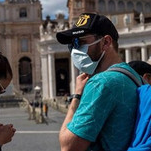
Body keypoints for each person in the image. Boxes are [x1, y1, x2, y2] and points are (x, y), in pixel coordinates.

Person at [56, 13, 143, 151]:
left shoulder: (101, 83)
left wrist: (76, 97)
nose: (74, 50)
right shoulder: (134, 76)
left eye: (80, 42)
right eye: (72, 45)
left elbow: (68, 146)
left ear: (106, 42)